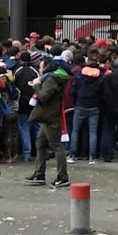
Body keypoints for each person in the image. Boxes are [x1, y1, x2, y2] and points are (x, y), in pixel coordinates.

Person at [27, 53, 71, 187]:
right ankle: (39, 173)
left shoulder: (51, 79)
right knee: (40, 143)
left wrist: (36, 86)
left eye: (40, 66)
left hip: (50, 116)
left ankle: (63, 176)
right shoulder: (51, 78)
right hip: (48, 116)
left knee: (57, 146)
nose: (39, 69)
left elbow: (43, 96)